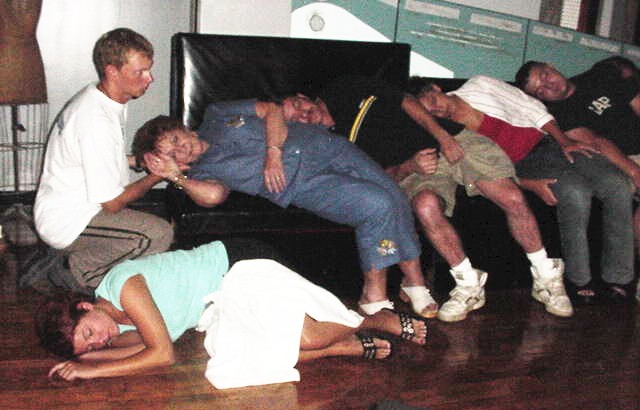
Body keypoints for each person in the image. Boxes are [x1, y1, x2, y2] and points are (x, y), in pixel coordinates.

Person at [277, 75, 573, 321]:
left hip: (454, 139)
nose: (304, 114)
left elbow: (406, 100)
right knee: (425, 205)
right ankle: (468, 284)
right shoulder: (331, 143)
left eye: (298, 105)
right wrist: (409, 166)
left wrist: (444, 137)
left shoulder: (344, 87)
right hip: (419, 167)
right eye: (296, 118)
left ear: (303, 96)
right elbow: (379, 178)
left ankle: (547, 278)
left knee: (511, 197)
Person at [133, 107, 439, 319]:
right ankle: (374, 294)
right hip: (305, 183)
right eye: (173, 154)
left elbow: (272, 111)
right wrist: (175, 176)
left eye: (177, 140)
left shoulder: (216, 113)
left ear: (183, 128)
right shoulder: (204, 172)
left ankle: (413, 282)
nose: (182, 149)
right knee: (378, 204)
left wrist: (273, 154)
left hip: (327, 146)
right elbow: (212, 197)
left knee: (393, 193)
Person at [36, 239, 428, 389]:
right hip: (219, 307)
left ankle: (369, 320)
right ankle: (339, 347)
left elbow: (161, 354)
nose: (101, 340)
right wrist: (82, 360)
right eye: (93, 345)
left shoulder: (124, 285)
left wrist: (91, 370)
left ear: (85, 305)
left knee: (303, 337)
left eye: (89, 332)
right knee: (236, 368)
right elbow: (141, 350)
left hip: (238, 268)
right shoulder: (115, 328)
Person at [412, 74, 634, 305]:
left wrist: (564, 141)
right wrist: (528, 184)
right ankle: (579, 281)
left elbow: (532, 107)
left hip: (550, 140)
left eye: (434, 101)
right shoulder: (448, 135)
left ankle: (621, 278)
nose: (438, 110)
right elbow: (482, 174)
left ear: (436, 88)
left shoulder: (479, 85)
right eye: (431, 113)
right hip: (524, 164)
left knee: (616, 184)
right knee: (575, 192)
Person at [33, 28, 173, 293]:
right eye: (140, 72)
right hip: (68, 222)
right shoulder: (95, 119)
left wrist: (139, 162)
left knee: (146, 231)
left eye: (149, 69)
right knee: (156, 234)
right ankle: (80, 271)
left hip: (72, 207)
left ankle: (104, 273)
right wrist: (158, 176)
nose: (150, 78)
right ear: (112, 71)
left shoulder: (103, 99)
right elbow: (112, 203)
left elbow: (93, 158)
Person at [515, 60, 639, 302]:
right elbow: (596, 142)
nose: (548, 86)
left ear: (551, 66)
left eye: (545, 75)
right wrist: (634, 172)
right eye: (540, 90)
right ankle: (623, 279)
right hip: (625, 158)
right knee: (617, 187)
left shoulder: (600, 76)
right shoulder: (557, 115)